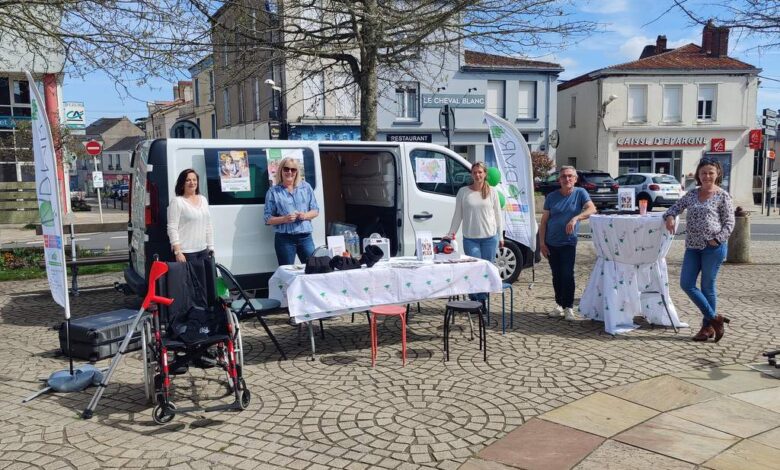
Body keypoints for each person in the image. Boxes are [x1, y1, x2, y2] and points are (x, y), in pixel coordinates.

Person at [664, 158, 734, 342]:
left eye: (711, 172)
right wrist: (670, 217)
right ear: (698, 175)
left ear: (717, 174)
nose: (707, 176)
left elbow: (729, 223)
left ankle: (706, 328)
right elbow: (674, 208)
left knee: (707, 287)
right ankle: (715, 319)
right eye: (703, 173)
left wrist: (717, 239)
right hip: (692, 247)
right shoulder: (692, 194)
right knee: (686, 283)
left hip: (713, 248)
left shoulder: (722, 195)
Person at [539, 166, 597, 321]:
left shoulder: (580, 193)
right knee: (556, 275)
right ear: (559, 179)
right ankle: (559, 305)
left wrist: (576, 218)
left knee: (567, 274)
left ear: (575, 179)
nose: (567, 179)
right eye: (564, 176)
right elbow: (544, 222)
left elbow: (592, 209)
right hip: (551, 243)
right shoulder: (551, 197)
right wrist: (542, 243)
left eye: (570, 176)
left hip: (568, 242)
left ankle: (569, 307)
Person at [447, 162, 503, 303]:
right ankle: (474, 299)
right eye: (475, 172)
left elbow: (498, 215)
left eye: (480, 172)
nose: (477, 175)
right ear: (471, 174)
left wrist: (500, 235)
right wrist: (450, 234)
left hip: (490, 238)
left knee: (485, 271)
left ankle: (482, 301)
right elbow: (457, 215)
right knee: (474, 270)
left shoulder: (493, 192)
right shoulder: (463, 192)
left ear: (485, 174)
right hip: (471, 239)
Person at [264, 157, 320, 266]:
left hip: (305, 237)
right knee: (287, 272)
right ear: (281, 170)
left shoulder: (306, 187)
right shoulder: (273, 192)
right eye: (286, 169)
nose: (290, 172)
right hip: (285, 239)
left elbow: (316, 210)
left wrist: (304, 215)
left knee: (313, 268)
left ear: (297, 172)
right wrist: (284, 219)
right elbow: (267, 219)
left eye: (293, 170)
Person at [167, 168, 214, 290]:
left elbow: (208, 225)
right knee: (189, 288)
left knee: (203, 286)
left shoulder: (203, 199)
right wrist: (178, 251)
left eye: (194, 180)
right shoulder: (177, 202)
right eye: (188, 180)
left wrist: (211, 247)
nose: (192, 182)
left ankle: (203, 309)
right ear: (182, 184)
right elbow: (172, 227)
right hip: (186, 253)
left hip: (203, 251)